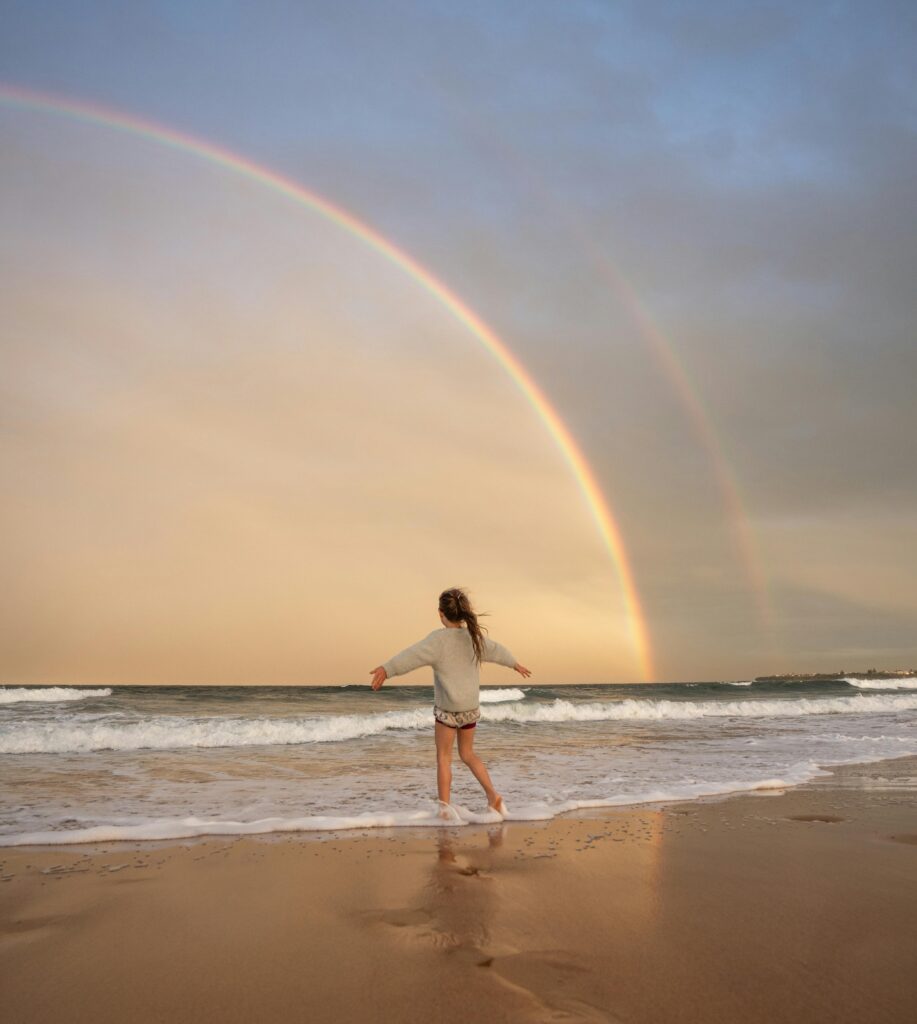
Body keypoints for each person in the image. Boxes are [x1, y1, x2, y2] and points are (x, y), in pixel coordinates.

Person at [370, 587, 531, 820]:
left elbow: (411, 656)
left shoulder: (437, 640)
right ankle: (494, 797)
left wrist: (388, 669)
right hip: (469, 710)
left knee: (444, 758)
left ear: (440, 613)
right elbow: (497, 651)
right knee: (468, 754)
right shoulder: (473, 639)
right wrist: (515, 664)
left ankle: (445, 809)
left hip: (447, 711)